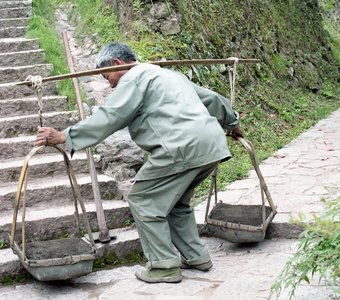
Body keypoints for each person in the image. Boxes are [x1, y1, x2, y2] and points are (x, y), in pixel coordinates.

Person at [35, 42, 243, 283]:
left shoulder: (134, 77)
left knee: (143, 198)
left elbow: (111, 115)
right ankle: (197, 257)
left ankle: (163, 266)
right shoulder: (168, 74)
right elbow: (213, 99)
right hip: (211, 145)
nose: (109, 83)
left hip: (180, 147)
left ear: (117, 64)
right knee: (176, 204)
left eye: (107, 76)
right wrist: (232, 122)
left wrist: (65, 136)